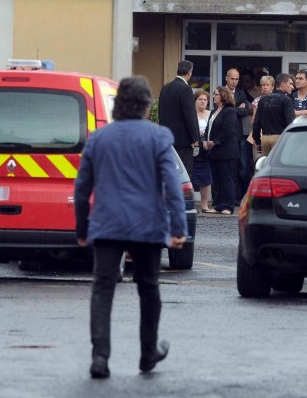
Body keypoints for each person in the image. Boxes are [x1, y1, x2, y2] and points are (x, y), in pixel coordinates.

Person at [74, 76, 188, 380]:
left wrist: (82, 229)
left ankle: (100, 357)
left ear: (118, 104)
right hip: (147, 225)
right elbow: (172, 188)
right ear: (146, 105)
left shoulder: (99, 138)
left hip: (107, 224)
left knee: (103, 288)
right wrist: (178, 228)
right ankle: (147, 354)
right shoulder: (159, 137)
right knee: (149, 288)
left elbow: (83, 188)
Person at [157, 60, 200, 174]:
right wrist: (195, 137)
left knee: (168, 173)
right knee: (183, 174)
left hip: (167, 139)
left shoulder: (165, 88)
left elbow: (161, 112)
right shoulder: (185, 89)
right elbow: (189, 115)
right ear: (190, 72)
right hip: (183, 141)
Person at [204, 86, 239, 215]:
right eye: (214, 94)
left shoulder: (229, 111)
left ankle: (228, 206)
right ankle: (218, 205)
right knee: (216, 179)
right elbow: (209, 128)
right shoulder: (213, 111)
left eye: (216, 94)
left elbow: (228, 130)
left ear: (223, 96)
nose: (214, 96)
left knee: (226, 178)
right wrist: (205, 141)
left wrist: (215, 142)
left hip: (226, 151)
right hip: (213, 151)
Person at [225, 68, 254, 203]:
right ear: (227, 78)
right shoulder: (220, 92)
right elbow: (224, 111)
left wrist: (233, 109)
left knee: (242, 167)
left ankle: (239, 197)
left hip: (240, 135)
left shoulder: (241, 93)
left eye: (237, 79)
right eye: (232, 79)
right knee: (229, 168)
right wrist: (237, 109)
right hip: (225, 135)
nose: (234, 82)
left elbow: (247, 110)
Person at [251, 73, 296, 156]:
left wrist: (257, 141)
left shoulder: (263, 99)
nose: (293, 87)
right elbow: (290, 123)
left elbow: (256, 123)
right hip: (280, 138)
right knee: (279, 167)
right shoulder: (287, 100)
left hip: (265, 139)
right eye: (290, 83)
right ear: (283, 84)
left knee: (266, 165)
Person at [192, 90, 214, 213]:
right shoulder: (191, 114)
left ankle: (205, 205)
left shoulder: (210, 114)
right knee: (191, 175)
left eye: (205, 100)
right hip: (193, 149)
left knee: (206, 177)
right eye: (200, 99)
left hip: (206, 149)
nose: (203, 102)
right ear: (195, 101)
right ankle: (189, 204)